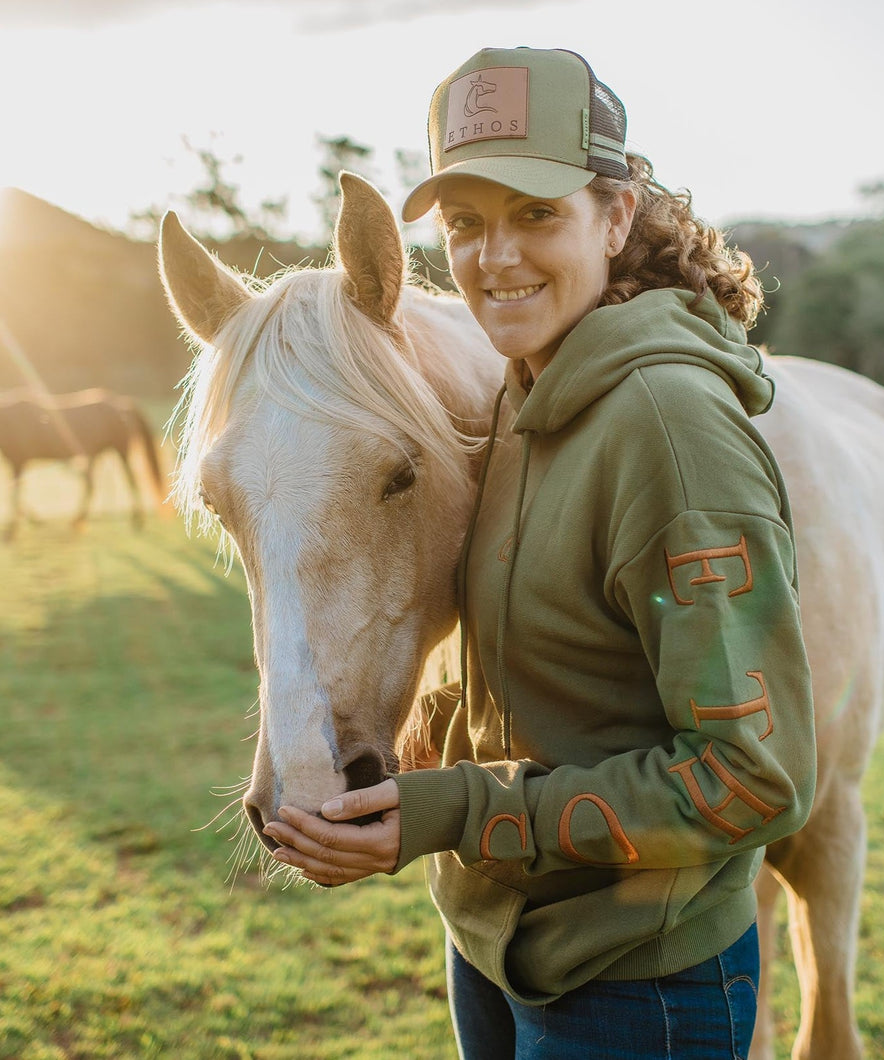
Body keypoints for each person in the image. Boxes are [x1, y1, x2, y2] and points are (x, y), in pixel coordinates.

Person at [262, 46, 817, 1060]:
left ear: (616, 214)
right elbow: (550, 648)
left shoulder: (669, 429)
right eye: (467, 224)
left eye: (535, 214)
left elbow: (752, 778)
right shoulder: (521, 389)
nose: (496, 257)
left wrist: (459, 806)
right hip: (492, 941)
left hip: (633, 981)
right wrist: (421, 739)